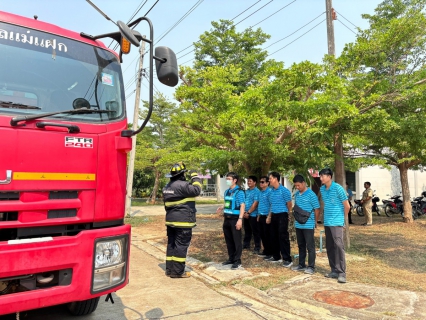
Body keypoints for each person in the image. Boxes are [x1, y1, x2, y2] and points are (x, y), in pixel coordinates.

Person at [163, 162, 202, 278]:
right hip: (183, 222)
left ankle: (170, 269)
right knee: (181, 246)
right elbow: (197, 190)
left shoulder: (166, 187)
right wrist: (195, 176)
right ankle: (178, 272)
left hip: (170, 221)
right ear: (182, 174)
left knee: (171, 245)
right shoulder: (183, 186)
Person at [319, 168, 350, 284]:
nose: (321, 178)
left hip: (337, 221)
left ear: (329, 176)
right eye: (320, 176)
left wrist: (343, 221)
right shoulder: (322, 189)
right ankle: (334, 270)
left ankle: (342, 273)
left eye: (323, 176)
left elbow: (347, 206)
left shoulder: (338, 188)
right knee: (330, 246)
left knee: (338, 246)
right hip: (327, 222)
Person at [291, 174, 320, 275]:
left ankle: (311, 266)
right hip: (298, 224)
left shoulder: (311, 194)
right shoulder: (297, 194)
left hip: (308, 224)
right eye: (296, 186)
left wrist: (315, 221)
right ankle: (301, 264)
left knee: (310, 246)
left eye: (298, 185)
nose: (297, 187)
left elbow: (317, 209)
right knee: (301, 245)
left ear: (303, 183)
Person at [216, 172, 246, 270]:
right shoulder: (227, 192)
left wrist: (240, 220)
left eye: (229, 179)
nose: (227, 180)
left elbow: (242, 205)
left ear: (235, 180)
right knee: (229, 240)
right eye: (227, 179)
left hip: (235, 219)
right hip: (227, 218)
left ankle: (237, 260)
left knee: (237, 240)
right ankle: (231, 258)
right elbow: (228, 203)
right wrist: (222, 207)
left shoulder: (239, 192)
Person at [266, 171, 293, 268]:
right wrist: (269, 216)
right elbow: (271, 205)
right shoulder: (271, 191)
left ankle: (287, 259)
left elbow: (289, 204)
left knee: (283, 237)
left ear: (276, 179)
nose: (269, 180)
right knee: (273, 236)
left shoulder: (284, 191)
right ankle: (276, 256)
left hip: (282, 215)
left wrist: (288, 214)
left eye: (270, 178)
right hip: (274, 215)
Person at [243, 175, 261, 253]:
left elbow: (255, 203)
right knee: (247, 230)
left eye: (250, 181)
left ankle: (257, 247)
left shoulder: (257, 191)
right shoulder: (246, 191)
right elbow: (243, 202)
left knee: (255, 231)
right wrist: (244, 212)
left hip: (253, 215)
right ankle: (246, 244)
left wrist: (249, 212)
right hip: (245, 214)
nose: (248, 182)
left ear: (254, 182)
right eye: (248, 181)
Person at [257, 176, 273, 259]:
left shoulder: (270, 192)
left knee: (268, 235)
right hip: (261, 216)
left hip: (267, 216)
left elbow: (271, 205)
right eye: (260, 182)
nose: (261, 183)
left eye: (263, 182)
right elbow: (260, 204)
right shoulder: (260, 192)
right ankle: (265, 251)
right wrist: (258, 215)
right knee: (262, 234)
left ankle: (270, 253)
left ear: (267, 183)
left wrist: (269, 217)